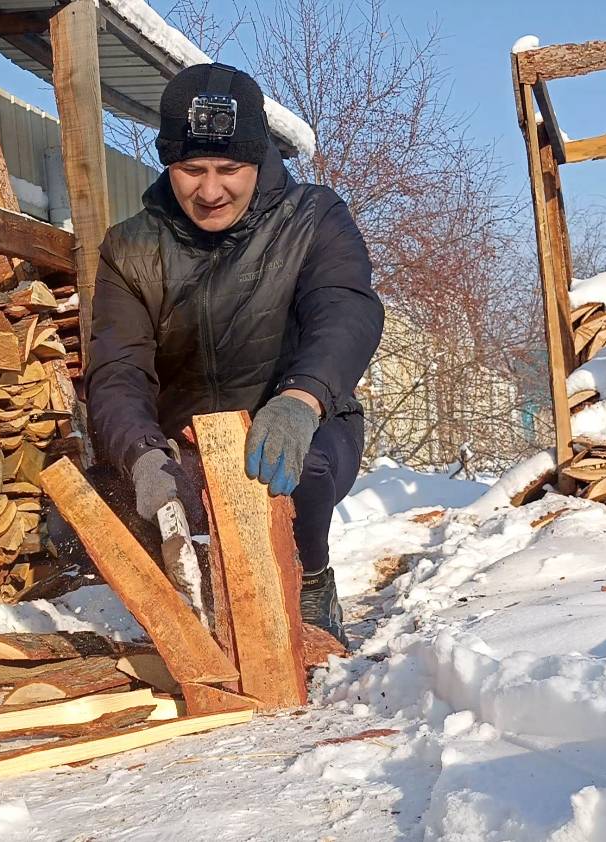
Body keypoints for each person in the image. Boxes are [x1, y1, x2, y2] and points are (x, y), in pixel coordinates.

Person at [84, 62, 383, 645]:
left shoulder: (315, 219)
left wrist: (304, 397)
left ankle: (311, 577)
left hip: (304, 420)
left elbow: (346, 310)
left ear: (260, 159)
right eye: (191, 169)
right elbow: (117, 367)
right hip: (188, 438)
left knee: (301, 473)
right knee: (128, 496)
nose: (211, 189)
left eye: (230, 168)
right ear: (168, 163)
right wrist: (143, 455)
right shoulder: (131, 247)